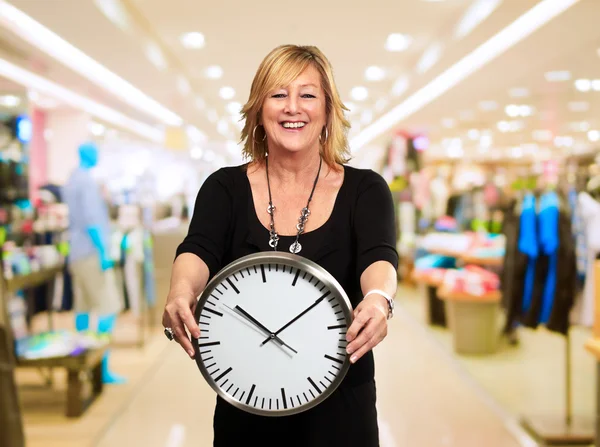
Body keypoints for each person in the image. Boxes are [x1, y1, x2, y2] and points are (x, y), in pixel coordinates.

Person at [162, 44, 398, 446]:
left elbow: (379, 257)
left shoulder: (365, 189)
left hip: (342, 402)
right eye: (278, 94)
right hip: (246, 398)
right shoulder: (224, 188)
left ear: (327, 110)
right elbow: (197, 249)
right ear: (258, 109)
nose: (293, 107)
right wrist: (181, 291)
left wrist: (378, 299)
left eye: (307, 95)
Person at [63, 141, 126, 384]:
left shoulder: (72, 179)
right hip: (91, 253)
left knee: (83, 309)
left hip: (77, 253)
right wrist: (104, 253)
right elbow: (91, 220)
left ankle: (81, 364)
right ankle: (101, 367)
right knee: (108, 307)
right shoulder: (86, 182)